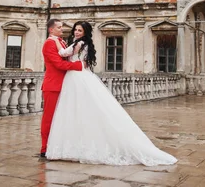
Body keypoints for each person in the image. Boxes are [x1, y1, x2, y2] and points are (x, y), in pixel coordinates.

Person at [46, 21, 177, 166]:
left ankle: (75, 145)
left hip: (76, 76)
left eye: (79, 31)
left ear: (85, 33)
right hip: (81, 76)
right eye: (75, 30)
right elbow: (80, 61)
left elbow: (62, 54)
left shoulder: (78, 43)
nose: (76, 32)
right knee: (81, 110)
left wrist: (54, 40)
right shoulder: (83, 43)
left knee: (76, 110)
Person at [40, 18, 83, 158]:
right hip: (53, 86)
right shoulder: (49, 44)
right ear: (51, 29)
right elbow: (58, 64)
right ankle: (44, 148)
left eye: (61, 27)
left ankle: (58, 145)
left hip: (64, 85)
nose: (62, 29)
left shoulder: (61, 42)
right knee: (49, 118)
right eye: (58, 27)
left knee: (61, 118)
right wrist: (78, 66)